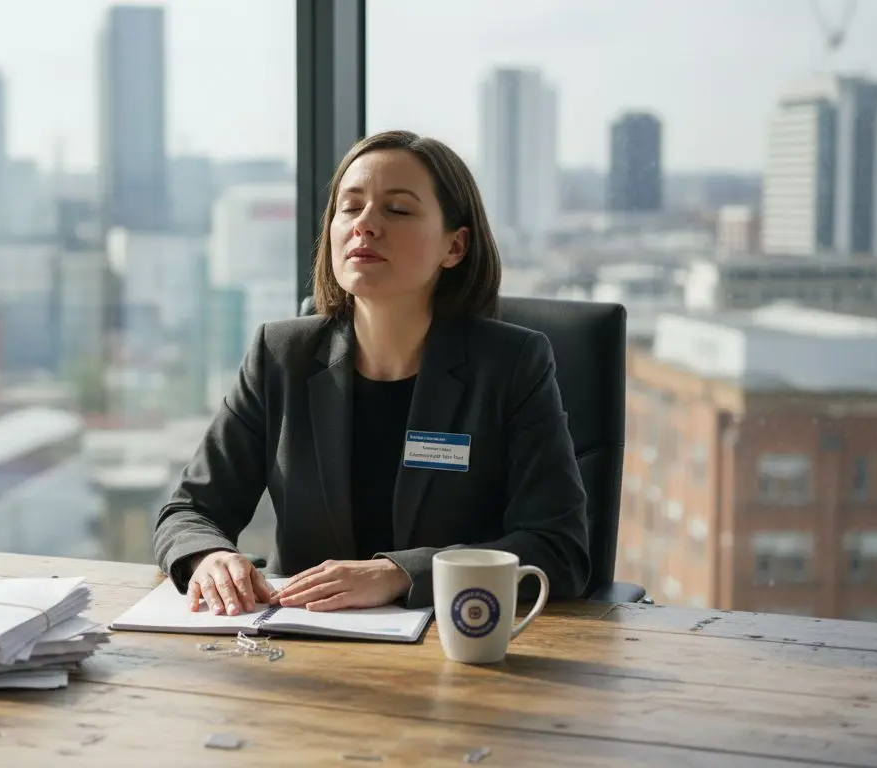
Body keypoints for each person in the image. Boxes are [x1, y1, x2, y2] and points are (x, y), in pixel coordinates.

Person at [153, 129, 590, 614]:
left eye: (397, 209)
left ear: (455, 246)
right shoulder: (280, 354)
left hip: (456, 648)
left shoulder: (512, 365)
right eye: (350, 206)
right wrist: (210, 557)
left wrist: (401, 573)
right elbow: (189, 511)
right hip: (300, 643)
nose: (365, 225)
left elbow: (558, 549)